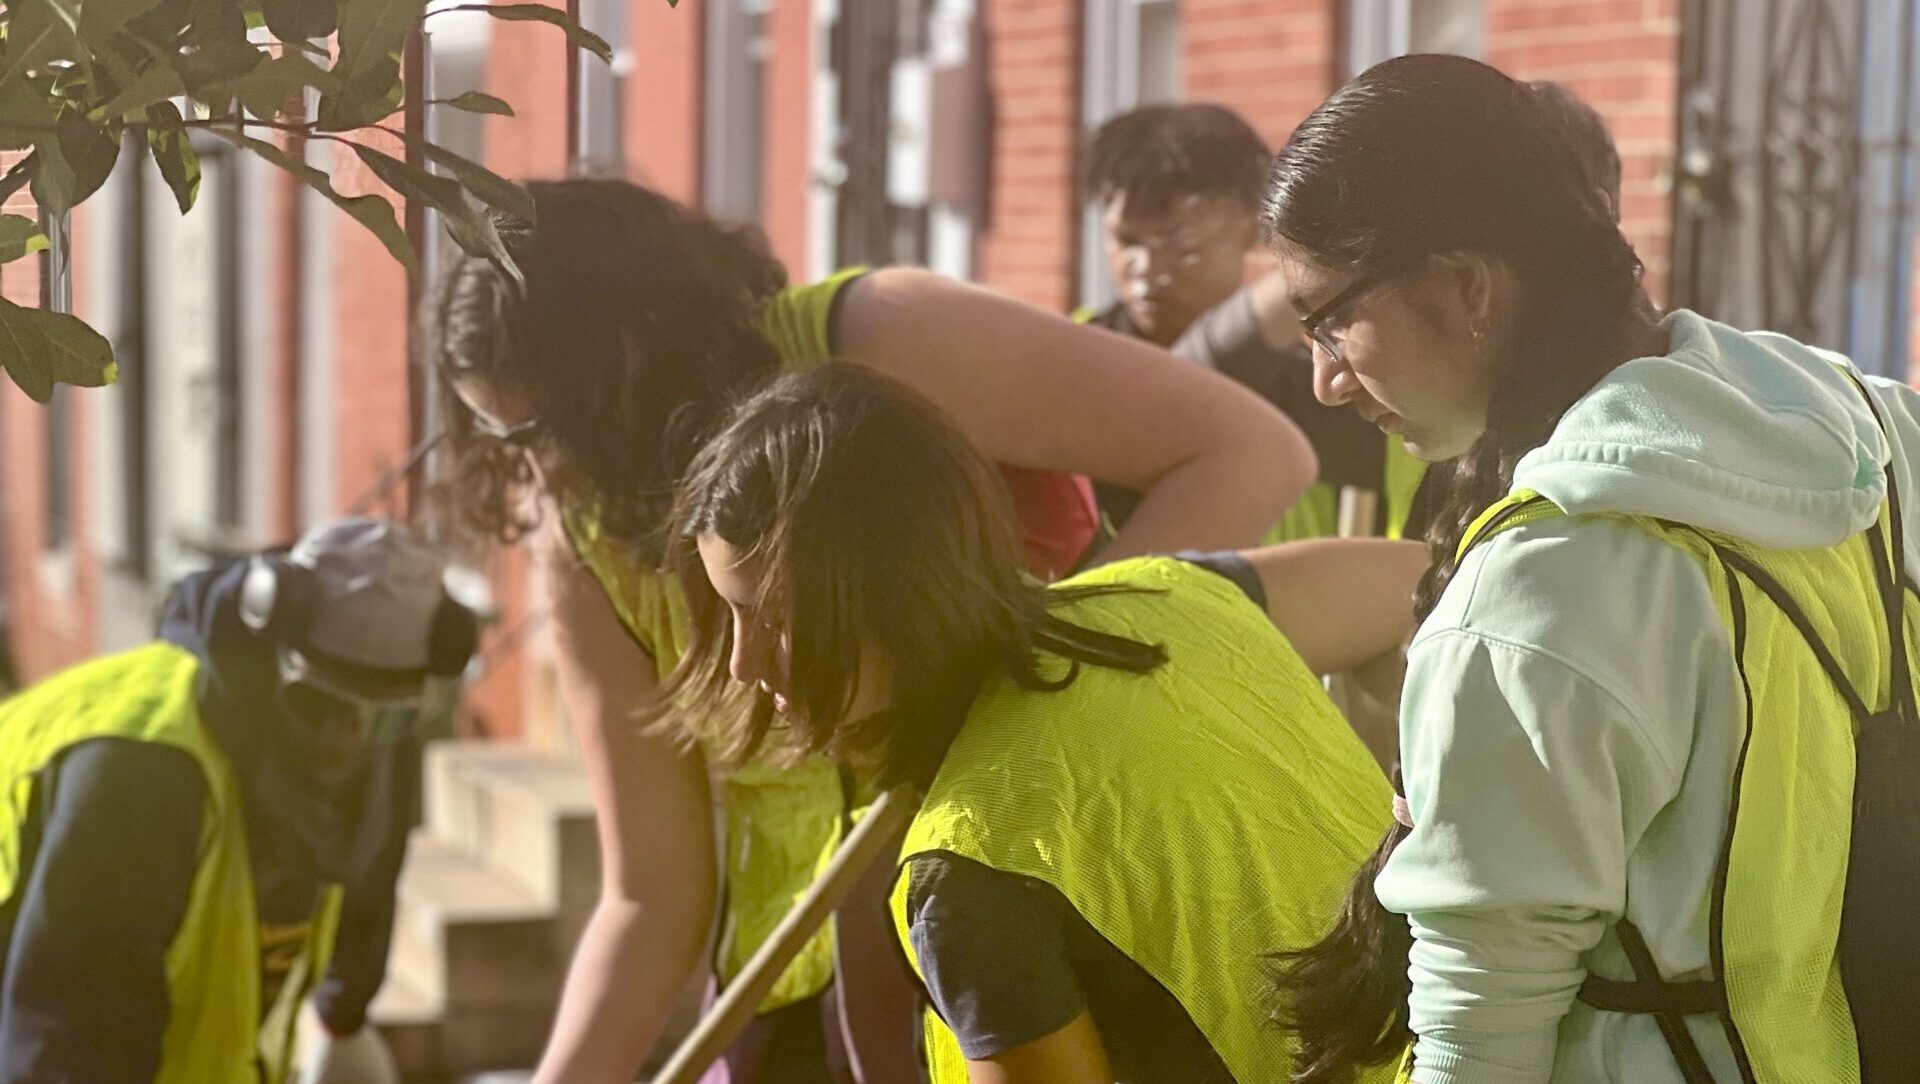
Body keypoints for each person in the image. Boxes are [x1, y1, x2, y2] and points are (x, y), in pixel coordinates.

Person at [429, 178, 1314, 1084]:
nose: (534, 462)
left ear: (629, 346)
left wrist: (1024, 675)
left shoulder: (880, 342)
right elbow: (652, 893)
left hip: (1035, 920)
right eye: (495, 432)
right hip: (797, 1012)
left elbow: (1250, 453)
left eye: (542, 421)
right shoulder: (580, 534)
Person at [1262, 54, 1920, 1084]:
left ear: (1468, 283)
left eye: (1328, 320)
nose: (1326, 380)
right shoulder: (1874, 428)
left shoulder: (1533, 597)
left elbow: (1479, 1046)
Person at [667, 362, 1425, 1084]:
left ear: (890, 592)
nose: (742, 662)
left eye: (770, 617)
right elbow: (1435, 581)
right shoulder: (1172, 602)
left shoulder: (970, 871)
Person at [0, 518, 483, 1084]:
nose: (343, 737)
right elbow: (69, 1040)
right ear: (268, 669)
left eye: (381, 719)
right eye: (318, 705)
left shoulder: (373, 742)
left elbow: (368, 870)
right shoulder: (144, 771)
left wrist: (343, 1017)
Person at [1080, 102, 1428, 543]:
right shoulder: (1063, 366)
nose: (1146, 266)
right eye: (1126, 240)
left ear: (1252, 227)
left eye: (1180, 242)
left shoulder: (1334, 386)